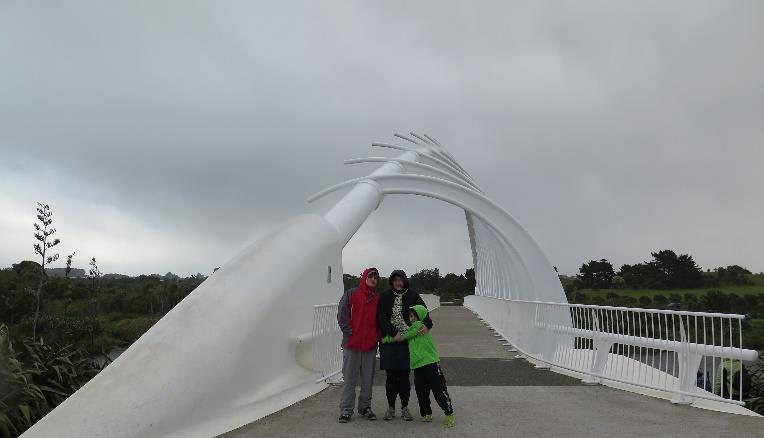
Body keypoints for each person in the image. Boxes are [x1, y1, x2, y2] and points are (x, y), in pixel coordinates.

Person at [382, 304, 454, 427]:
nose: (412, 318)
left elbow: (403, 335)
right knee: (421, 392)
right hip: (418, 367)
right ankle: (426, 414)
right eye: (410, 316)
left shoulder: (419, 327)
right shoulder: (412, 330)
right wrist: (390, 337)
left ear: (420, 316)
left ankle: (449, 414)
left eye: (415, 315)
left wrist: (387, 339)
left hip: (431, 364)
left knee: (439, 390)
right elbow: (404, 335)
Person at [377, 270, 433, 421]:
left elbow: (424, 312)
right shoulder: (385, 296)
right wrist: (393, 332)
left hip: (407, 341)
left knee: (404, 376)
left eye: (400, 280)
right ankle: (390, 407)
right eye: (395, 280)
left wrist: (427, 325)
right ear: (391, 282)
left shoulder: (413, 295)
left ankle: (404, 407)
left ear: (405, 281)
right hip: (390, 340)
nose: (398, 283)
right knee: (390, 377)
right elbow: (381, 317)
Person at [337, 267, 381, 423]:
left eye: (376, 277)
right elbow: (342, 314)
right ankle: (346, 410)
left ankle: (365, 408)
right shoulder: (352, 293)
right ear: (364, 277)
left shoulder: (378, 298)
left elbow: (381, 320)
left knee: (368, 380)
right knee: (349, 379)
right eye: (371, 276)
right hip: (352, 345)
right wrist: (349, 332)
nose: (374, 279)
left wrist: (377, 336)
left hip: (370, 346)